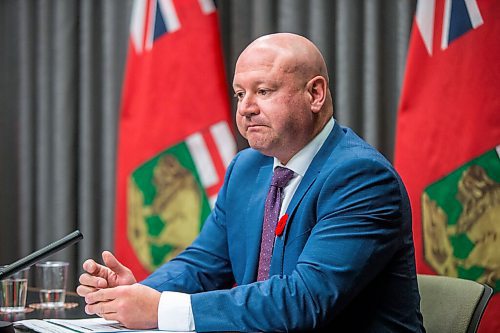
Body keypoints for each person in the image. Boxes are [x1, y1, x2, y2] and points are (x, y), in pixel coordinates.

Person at [77, 33, 424, 332]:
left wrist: (158, 310)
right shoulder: (247, 168)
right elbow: (203, 265)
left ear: (315, 94)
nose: (246, 108)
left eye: (263, 90)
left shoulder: (361, 178)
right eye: (240, 94)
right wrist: (138, 295)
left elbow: (305, 300)